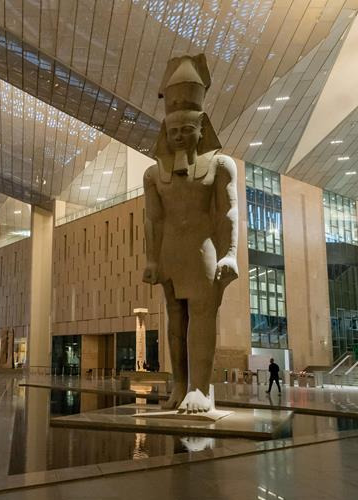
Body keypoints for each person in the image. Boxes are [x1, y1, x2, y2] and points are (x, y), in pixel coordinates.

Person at [142, 54, 239, 413]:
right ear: (165, 133)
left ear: (202, 128)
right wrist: (152, 259)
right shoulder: (154, 175)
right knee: (175, 319)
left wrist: (231, 254)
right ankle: (179, 385)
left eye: (187, 129)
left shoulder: (220, 165)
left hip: (204, 250)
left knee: (201, 314)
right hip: (171, 253)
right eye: (174, 131)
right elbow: (153, 219)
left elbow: (228, 212)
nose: (180, 135)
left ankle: (200, 388)